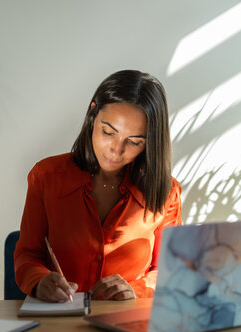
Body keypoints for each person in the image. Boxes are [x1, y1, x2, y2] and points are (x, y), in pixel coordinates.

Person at [14, 69, 182, 302]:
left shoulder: (167, 193)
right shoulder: (46, 177)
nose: (116, 149)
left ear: (150, 142)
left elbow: (170, 272)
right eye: (108, 132)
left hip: (129, 326)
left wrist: (137, 290)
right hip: (60, 326)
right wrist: (40, 280)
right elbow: (28, 255)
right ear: (93, 112)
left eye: (134, 142)